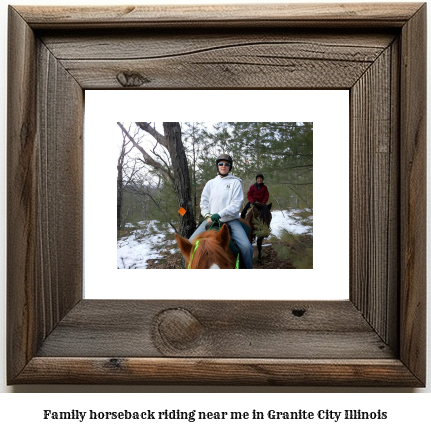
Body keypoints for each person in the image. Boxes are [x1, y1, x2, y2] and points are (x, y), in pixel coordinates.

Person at [189, 154, 254, 269]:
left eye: (226, 164)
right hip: (210, 220)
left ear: (230, 167)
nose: (223, 166)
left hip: (230, 221)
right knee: (190, 244)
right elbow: (204, 202)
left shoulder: (235, 183)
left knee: (246, 247)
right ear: (217, 166)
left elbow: (236, 204)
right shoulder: (210, 183)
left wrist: (219, 214)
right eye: (221, 164)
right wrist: (207, 215)